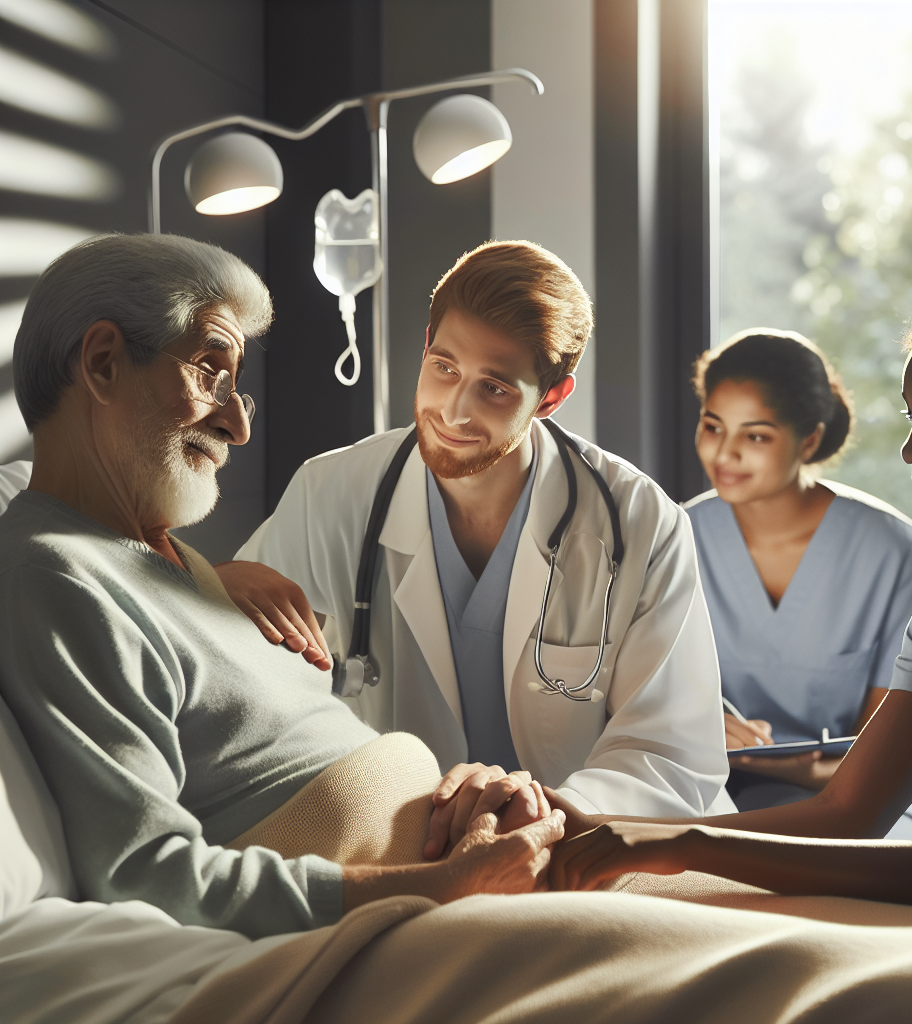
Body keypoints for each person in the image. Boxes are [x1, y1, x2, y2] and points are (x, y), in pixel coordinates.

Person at [0, 233, 566, 940]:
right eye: (212, 371)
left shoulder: (169, 561)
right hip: (414, 915)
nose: (238, 426)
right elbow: (141, 870)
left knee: (715, 877)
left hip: (459, 862)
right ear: (104, 363)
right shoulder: (56, 575)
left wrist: (473, 805)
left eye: (240, 390)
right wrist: (440, 888)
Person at [221, 240, 732, 857]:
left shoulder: (639, 522)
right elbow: (249, 691)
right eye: (444, 367)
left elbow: (671, 752)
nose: (453, 410)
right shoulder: (331, 493)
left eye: (494, 388)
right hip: (402, 846)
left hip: (579, 844)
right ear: (428, 341)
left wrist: (542, 811)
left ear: (550, 397)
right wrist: (211, 585)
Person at [547, 260, 912, 913]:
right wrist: (601, 828)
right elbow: (847, 813)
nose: (911, 448)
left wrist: (679, 846)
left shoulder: (893, 550)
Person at [684, 329, 912, 839]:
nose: (725, 453)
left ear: (808, 440)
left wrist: (778, 765)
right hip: (718, 790)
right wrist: (695, 723)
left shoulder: (894, 549)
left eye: (755, 435)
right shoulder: (674, 536)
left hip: (875, 796)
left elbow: (891, 757)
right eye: (713, 426)